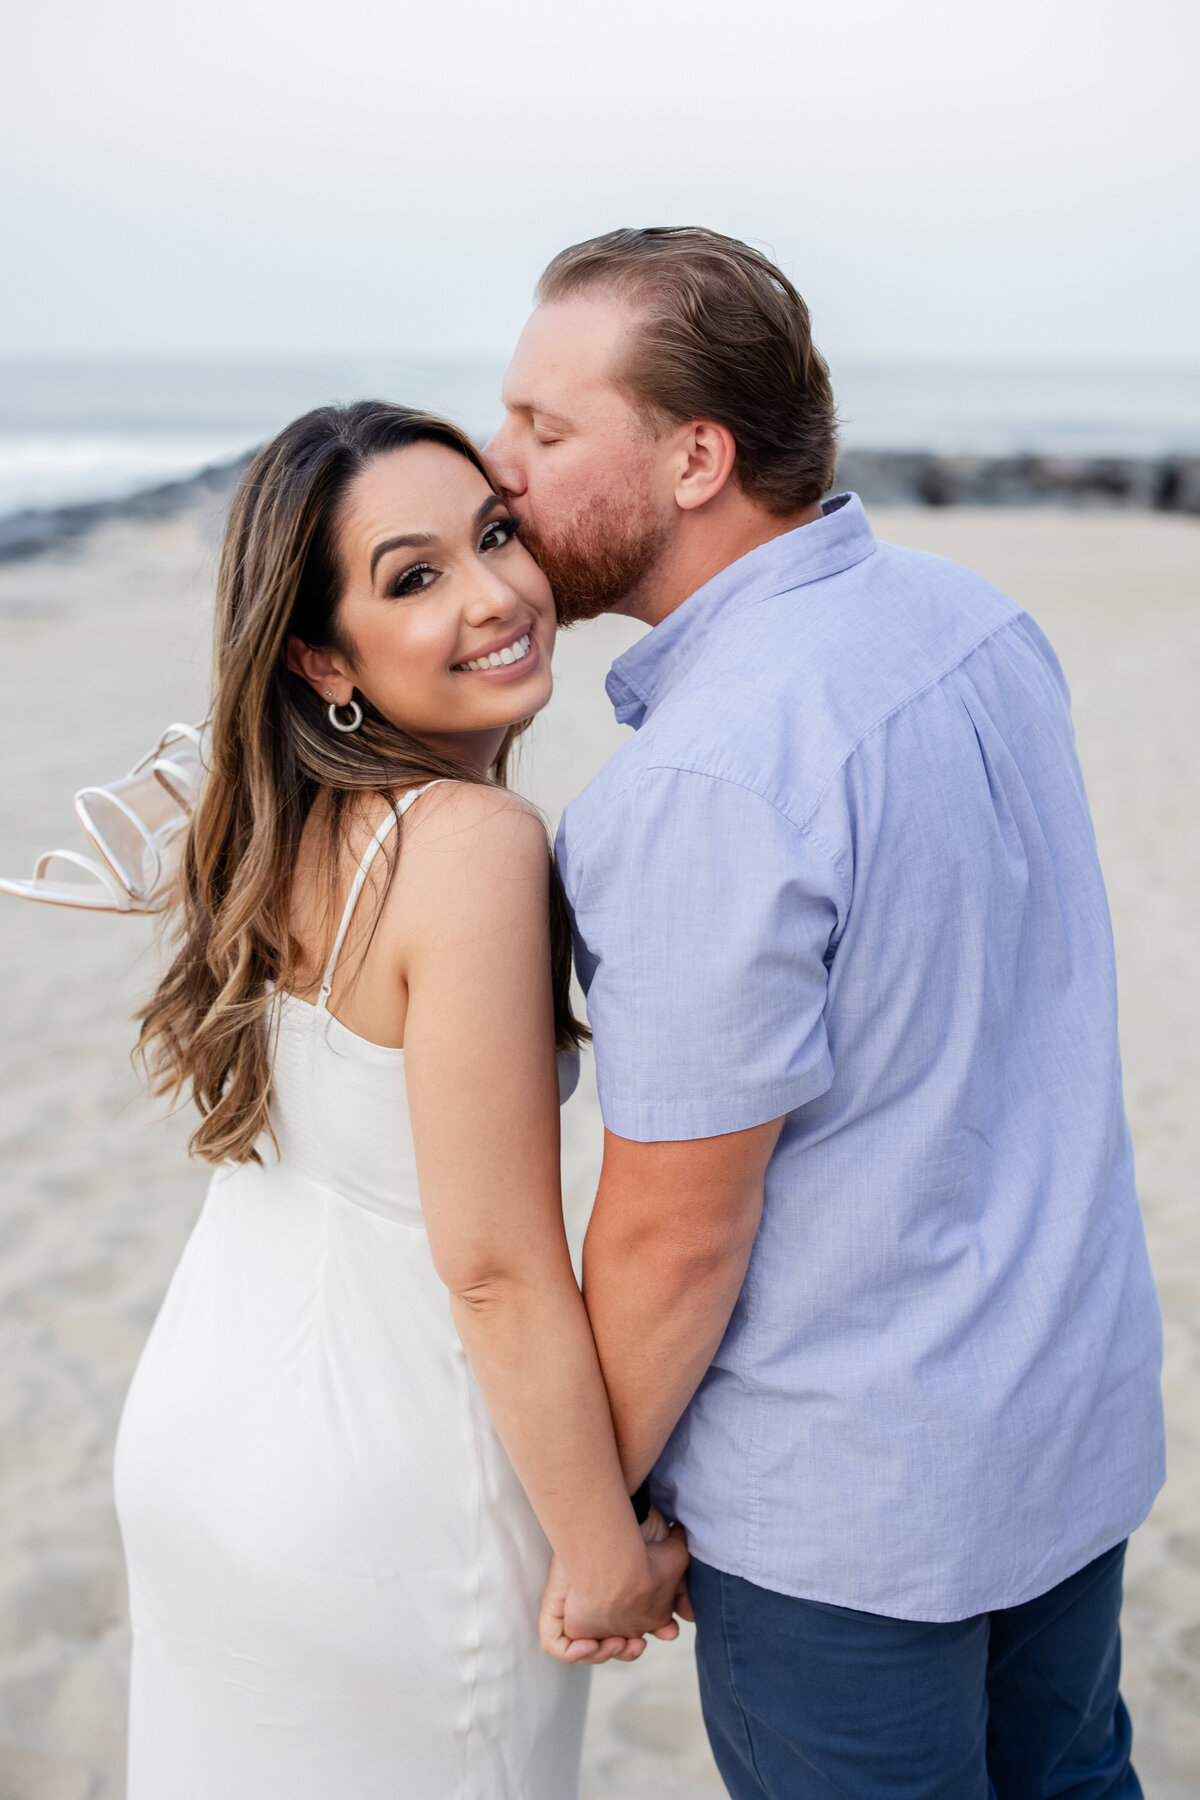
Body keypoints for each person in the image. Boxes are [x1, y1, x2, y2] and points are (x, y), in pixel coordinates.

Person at [485, 227, 1166, 1799]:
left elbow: (674, 1238)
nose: (498, 466)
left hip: (858, 1509)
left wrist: (606, 1528)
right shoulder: (971, 618)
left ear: (694, 458)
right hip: (1063, 1422)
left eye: (545, 425)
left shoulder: (704, 781)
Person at [114, 401, 687, 1797]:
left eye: (497, 534)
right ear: (321, 655)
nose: (497, 594)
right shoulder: (477, 845)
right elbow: (492, 1267)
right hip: (383, 1483)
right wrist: (600, 1543)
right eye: (412, 576)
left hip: (201, 1430)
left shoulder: (270, 828)